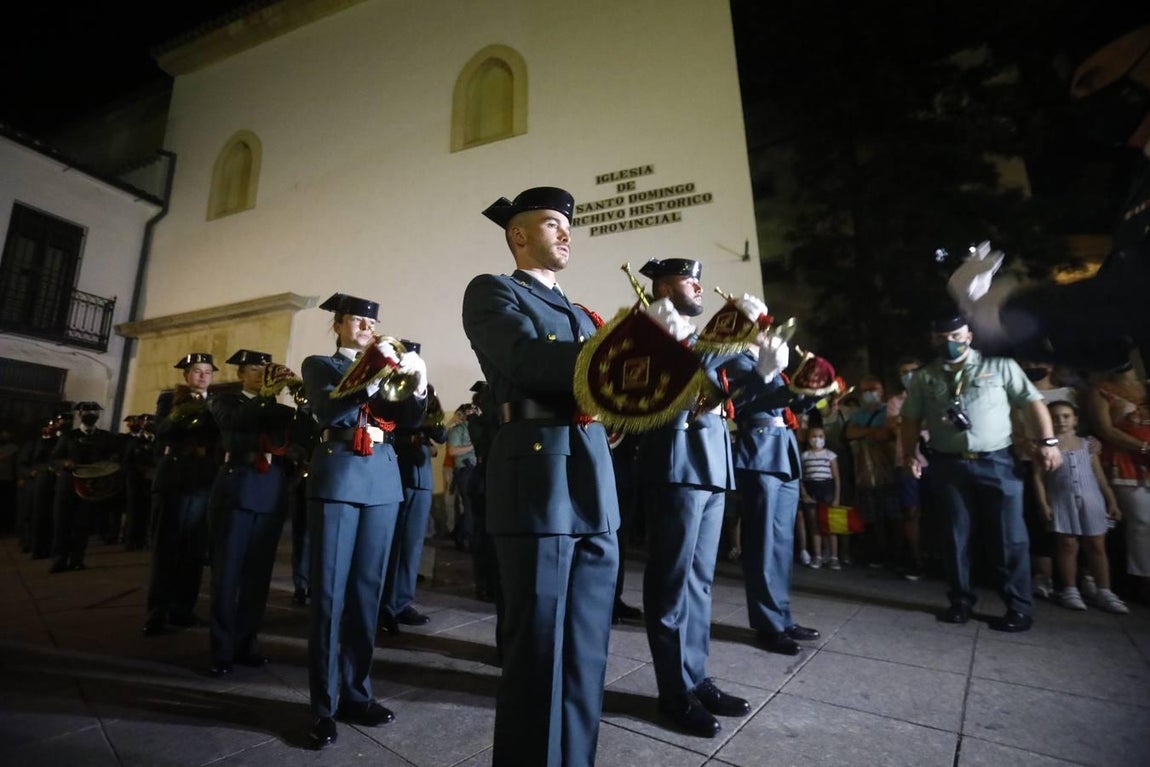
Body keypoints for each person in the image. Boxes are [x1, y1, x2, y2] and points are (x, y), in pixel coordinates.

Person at [461, 186, 619, 767]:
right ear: (519, 234)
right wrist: (627, 351)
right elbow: (528, 362)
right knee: (538, 655)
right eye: (552, 223)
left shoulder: (581, 313)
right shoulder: (494, 291)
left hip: (593, 480)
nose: (565, 232)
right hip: (539, 481)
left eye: (567, 224)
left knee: (586, 655)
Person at [948, 25, 1150, 372]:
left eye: (1092, 78)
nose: (1087, 99)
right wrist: (1000, 327)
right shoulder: (1141, 178)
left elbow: (1134, 295)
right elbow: (1114, 347)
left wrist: (1014, 309)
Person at [301, 292, 428, 749]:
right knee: (330, 595)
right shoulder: (320, 365)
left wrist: (418, 384)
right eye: (355, 321)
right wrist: (373, 376)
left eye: (370, 323)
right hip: (339, 474)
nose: (365, 328)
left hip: (381, 479)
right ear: (337, 325)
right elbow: (329, 409)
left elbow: (409, 420)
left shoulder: (386, 368)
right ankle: (323, 706)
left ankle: (357, 692)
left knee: (366, 595)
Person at [632, 257, 750, 738]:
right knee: (671, 582)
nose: (699, 286)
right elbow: (688, 368)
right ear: (663, 287)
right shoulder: (651, 326)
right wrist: (729, 329)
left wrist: (758, 344)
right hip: (676, 463)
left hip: (711, 463)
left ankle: (696, 676)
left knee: (700, 582)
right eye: (688, 279)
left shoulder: (696, 335)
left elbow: (742, 372)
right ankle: (673, 690)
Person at [900, 314, 1061, 632]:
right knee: (954, 536)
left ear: (969, 336)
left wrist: (1048, 441)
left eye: (956, 335)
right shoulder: (924, 377)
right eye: (942, 336)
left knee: (1009, 537)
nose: (949, 341)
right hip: (948, 464)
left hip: (997, 461)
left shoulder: (1000, 366)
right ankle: (960, 601)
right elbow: (910, 418)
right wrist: (909, 453)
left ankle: (1018, 607)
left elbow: (1031, 402)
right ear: (933, 340)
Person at [722, 304, 822, 657]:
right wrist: (776, 379)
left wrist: (812, 387)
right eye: (759, 324)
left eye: (767, 324)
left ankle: (782, 616)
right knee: (762, 542)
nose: (767, 330)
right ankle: (768, 624)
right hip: (759, 449)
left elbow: (790, 405)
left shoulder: (771, 360)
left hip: (783, 450)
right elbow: (742, 403)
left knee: (781, 542)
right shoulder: (737, 359)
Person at [205, 349, 294, 676]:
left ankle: (247, 642)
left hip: (270, 492)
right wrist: (267, 397)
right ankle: (222, 649)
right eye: (255, 370)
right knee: (227, 574)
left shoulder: (280, 410)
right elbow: (235, 423)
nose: (261, 375)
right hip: (237, 490)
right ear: (241, 374)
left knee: (258, 577)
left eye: (266, 370)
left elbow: (299, 439)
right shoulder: (224, 401)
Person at [144, 354, 220, 636]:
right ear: (186, 375)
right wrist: (180, 413)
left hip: (203, 482)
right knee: (166, 550)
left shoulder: (217, 403)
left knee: (193, 552)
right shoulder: (170, 399)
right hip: (174, 481)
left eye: (207, 372)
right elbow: (162, 431)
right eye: (197, 371)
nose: (202, 376)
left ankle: (182, 610)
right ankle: (156, 613)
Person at [1032, 400, 1128, 613]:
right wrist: (1043, 504)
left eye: (1066, 416)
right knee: (1067, 545)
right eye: (1055, 417)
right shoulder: (1045, 447)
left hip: (1091, 500)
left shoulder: (1087, 445)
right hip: (1062, 500)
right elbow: (1038, 477)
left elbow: (1099, 476)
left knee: (1097, 545)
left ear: (1075, 419)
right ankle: (1070, 589)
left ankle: (1104, 591)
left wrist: (1111, 500)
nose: (1061, 421)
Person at [379, 369, 446, 633]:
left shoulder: (426, 395)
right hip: (398, 473)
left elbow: (441, 436)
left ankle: (402, 602)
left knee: (413, 544)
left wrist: (434, 414)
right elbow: (385, 432)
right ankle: (384, 604)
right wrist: (411, 437)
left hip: (421, 479)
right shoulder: (391, 395)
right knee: (392, 543)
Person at [1087, 356, 1150, 605]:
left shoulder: (1145, 387)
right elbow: (1105, 429)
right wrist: (1143, 447)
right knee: (1141, 521)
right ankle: (1143, 581)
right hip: (1126, 462)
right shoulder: (1101, 391)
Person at [49, 402, 119, 572]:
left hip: (90, 486)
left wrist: (110, 460)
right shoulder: (69, 435)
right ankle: (59, 560)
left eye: (93, 411)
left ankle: (77, 560)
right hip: (68, 485)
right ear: (80, 414)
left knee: (82, 524)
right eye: (86, 411)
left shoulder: (105, 437)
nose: (90, 414)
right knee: (61, 523)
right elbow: (54, 458)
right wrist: (64, 463)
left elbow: (114, 454)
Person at [845, 375, 898, 567]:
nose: (868, 394)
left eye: (872, 389)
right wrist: (872, 432)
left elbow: (886, 433)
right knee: (870, 513)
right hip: (865, 472)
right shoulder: (858, 414)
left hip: (887, 469)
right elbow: (850, 432)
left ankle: (896, 553)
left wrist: (863, 432)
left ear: (881, 391)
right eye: (865, 390)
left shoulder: (888, 410)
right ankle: (876, 553)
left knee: (892, 512)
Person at [887, 357, 929, 579]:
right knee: (911, 512)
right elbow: (895, 425)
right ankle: (916, 559)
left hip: (935, 460)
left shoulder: (932, 396)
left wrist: (909, 421)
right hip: (906, 461)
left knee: (937, 511)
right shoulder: (895, 401)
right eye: (904, 372)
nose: (908, 376)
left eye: (912, 371)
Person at [799, 424, 841, 569]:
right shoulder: (804, 456)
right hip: (812, 490)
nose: (817, 439)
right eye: (814, 436)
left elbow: (836, 477)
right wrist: (804, 493)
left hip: (827, 490)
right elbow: (801, 477)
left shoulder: (830, 455)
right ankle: (817, 556)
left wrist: (836, 497)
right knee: (814, 524)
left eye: (820, 436)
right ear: (808, 439)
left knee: (830, 525)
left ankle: (834, 557)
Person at [120, 414, 156, 551]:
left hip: (151, 481)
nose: (148, 424)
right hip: (136, 480)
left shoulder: (158, 442)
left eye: (151, 421)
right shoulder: (134, 441)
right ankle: (130, 540)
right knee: (133, 510)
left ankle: (143, 540)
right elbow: (126, 462)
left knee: (147, 510)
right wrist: (139, 470)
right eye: (145, 422)